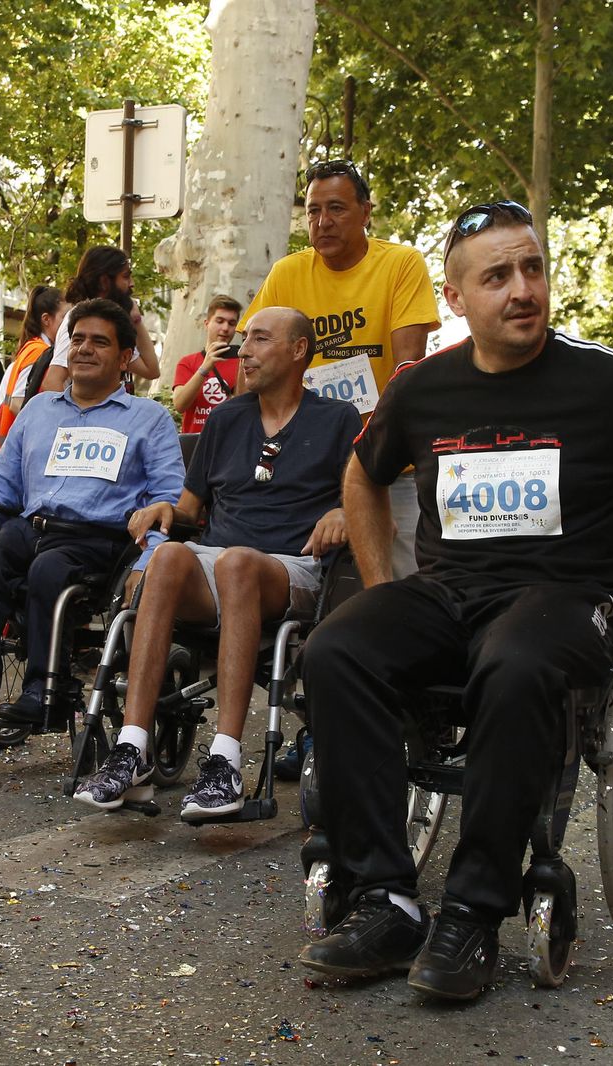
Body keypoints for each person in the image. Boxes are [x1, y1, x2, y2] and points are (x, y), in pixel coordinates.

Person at [295, 200, 613, 1002]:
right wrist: (381, 590)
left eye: (532, 268)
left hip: (569, 598)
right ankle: (385, 900)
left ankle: (473, 912)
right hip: (448, 593)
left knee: (515, 663)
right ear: (455, 298)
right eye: (497, 276)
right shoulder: (422, 389)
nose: (522, 289)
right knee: (336, 648)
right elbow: (362, 476)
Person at [72, 307, 360, 818]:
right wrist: (165, 509)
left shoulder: (337, 419)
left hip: (290, 566)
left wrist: (343, 510)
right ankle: (133, 748)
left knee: (237, 564)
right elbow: (189, 508)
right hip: (219, 562)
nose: (243, 350)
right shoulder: (226, 418)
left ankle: (225, 762)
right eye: (245, 340)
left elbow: (364, 500)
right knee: (168, 556)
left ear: (298, 350)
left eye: (260, 339)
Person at [243, 159, 440, 779]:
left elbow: (406, 370)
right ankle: (317, 724)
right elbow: (255, 362)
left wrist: (366, 459)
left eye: (336, 209)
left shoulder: (400, 265)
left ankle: (405, 717)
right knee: (312, 595)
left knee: (388, 593)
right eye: (312, 211)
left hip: (384, 464)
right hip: (305, 461)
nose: (322, 222)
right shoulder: (287, 274)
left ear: (364, 213)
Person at [0, 299, 186, 727]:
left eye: (99, 342)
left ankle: (43, 690)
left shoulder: (149, 419)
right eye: (78, 339)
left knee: (49, 571)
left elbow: (167, 501)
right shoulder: (38, 410)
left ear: (125, 357)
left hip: (96, 538)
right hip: (31, 526)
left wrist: (146, 563)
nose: (84, 349)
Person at [39, 247, 162, 394]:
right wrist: (77, 409)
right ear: (104, 282)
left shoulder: (112, 324)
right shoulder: (80, 321)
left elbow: (151, 370)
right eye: (125, 277)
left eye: (101, 342)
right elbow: (52, 381)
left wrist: (136, 320)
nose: (132, 284)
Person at [0, 283, 65, 458]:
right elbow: (17, 403)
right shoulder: (39, 351)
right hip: (18, 448)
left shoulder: (34, 348)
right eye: (64, 317)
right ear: (46, 319)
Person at [171, 294, 243, 433]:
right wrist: (205, 367)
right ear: (207, 324)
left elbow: (246, 407)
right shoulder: (188, 362)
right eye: (220, 321)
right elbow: (179, 405)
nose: (225, 328)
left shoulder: (242, 363)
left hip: (230, 440)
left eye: (231, 323)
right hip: (196, 442)